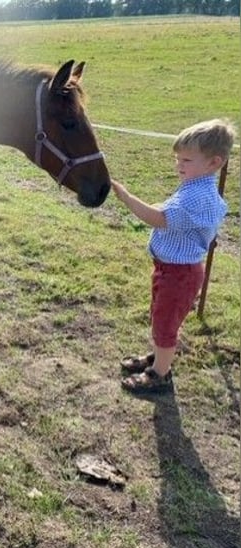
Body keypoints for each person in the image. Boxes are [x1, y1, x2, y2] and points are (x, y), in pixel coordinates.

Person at [111, 118, 236, 393]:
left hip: (180, 274)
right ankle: (159, 357)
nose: (179, 164)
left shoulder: (196, 196)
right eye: (178, 158)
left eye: (187, 160)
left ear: (214, 163)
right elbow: (167, 209)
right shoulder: (195, 186)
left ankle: (160, 375)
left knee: (166, 323)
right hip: (171, 270)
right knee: (160, 316)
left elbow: (158, 217)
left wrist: (128, 198)